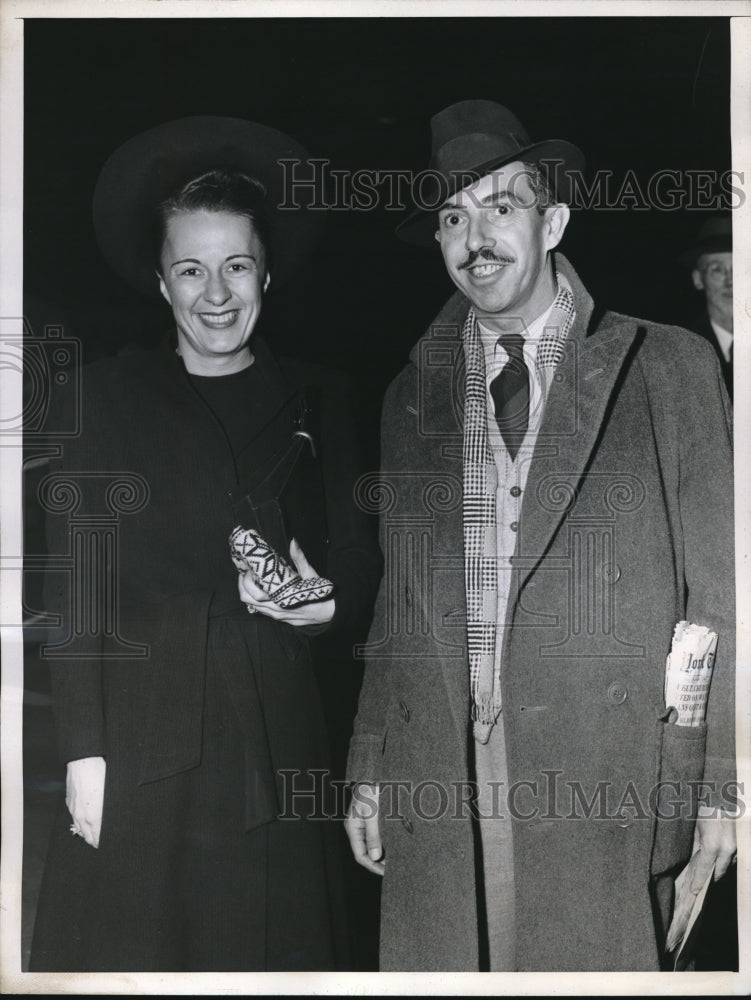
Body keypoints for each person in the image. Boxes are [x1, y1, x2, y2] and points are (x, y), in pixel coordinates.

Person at [344, 100, 737, 972]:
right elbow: (398, 602)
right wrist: (370, 761)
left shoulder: (664, 366)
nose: (472, 237)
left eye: (499, 206)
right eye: (452, 215)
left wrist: (724, 786)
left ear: (552, 220)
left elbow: (724, 593)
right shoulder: (409, 400)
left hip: (607, 771)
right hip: (445, 765)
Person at [29, 116, 381, 972]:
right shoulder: (104, 399)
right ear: (160, 281)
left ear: (267, 274)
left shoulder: (323, 398)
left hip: (278, 735)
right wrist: (83, 752)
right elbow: (80, 594)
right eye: (191, 268)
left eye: (236, 265)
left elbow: (364, 558)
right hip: (139, 742)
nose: (215, 292)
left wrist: (328, 601)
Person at [680, 215, 733, 399]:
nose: (731, 281)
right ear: (698, 279)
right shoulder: (680, 352)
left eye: (741, 268)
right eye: (717, 269)